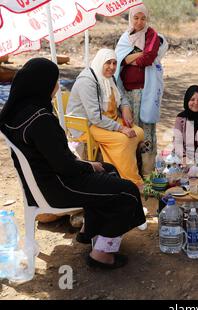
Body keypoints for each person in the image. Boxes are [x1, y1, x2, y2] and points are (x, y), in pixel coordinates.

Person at [0, 58, 145, 269]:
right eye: (55, 81)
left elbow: (56, 158)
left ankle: (90, 231)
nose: (58, 86)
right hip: (58, 187)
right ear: (42, 84)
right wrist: (88, 165)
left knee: (110, 170)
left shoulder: (17, 113)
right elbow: (65, 167)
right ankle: (101, 254)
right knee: (128, 192)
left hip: (44, 182)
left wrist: (87, 165)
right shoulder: (40, 119)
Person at [67, 49, 145, 188]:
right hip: (88, 125)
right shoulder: (88, 81)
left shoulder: (109, 77)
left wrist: (125, 108)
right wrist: (121, 128)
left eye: (115, 63)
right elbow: (95, 117)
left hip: (108, 120)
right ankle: (130, 181)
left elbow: (121, 97)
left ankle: (121, 175)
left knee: (138, 132)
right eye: (108, 63)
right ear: (99, 62)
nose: (112, 67)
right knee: (123, 140)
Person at [115, 4, 168, 175]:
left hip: (146, 90)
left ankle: (147, 171)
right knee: (131, 130)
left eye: (143, 18)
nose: (139, 22)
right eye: (136, 18)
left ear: (147, 19)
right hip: (128, 94)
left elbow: (149, 58)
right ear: (130, 18)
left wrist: (130, 57)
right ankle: (132, 170)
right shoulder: (125, 37)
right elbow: (119, 60)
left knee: (146, 130)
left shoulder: (151, 34)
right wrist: (138, 53)